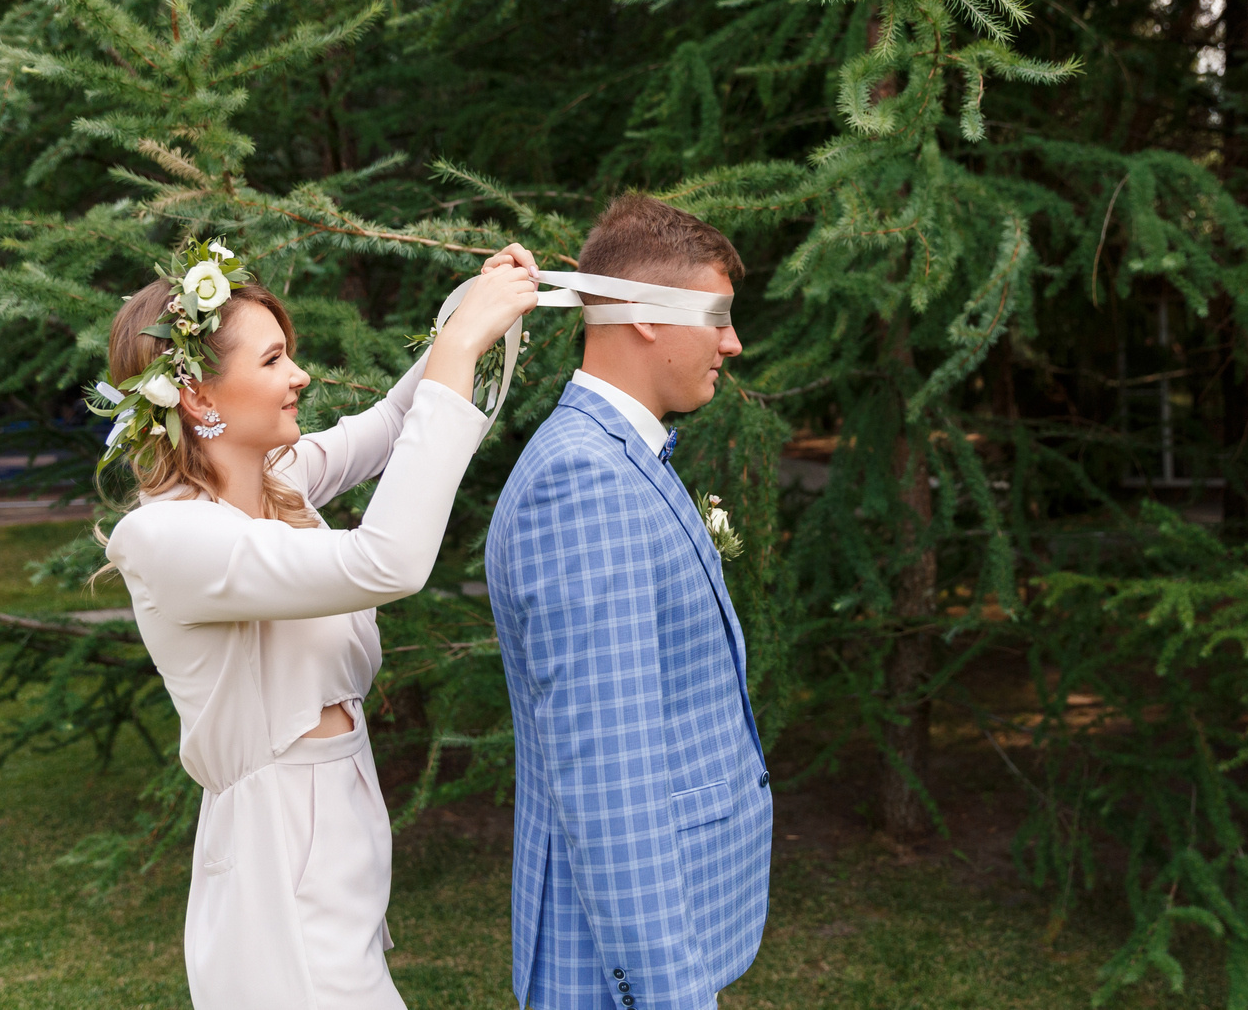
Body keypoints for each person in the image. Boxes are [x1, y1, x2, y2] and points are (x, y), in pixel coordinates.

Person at [98, 239, 539, 1010]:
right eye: (273, 361)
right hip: (276, 862)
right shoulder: (170, 540)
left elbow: (400, 419)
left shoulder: (280, 484)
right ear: (198, 399)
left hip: (341, 831)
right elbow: (388, 561)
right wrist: (463, 340)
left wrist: (474, 312)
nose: (299, 375)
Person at [486, 195, 772, 1010]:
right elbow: (610, 779)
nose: (732, 341)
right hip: (613, 959)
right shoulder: (585, 483)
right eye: (717, 315)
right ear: (646, 317)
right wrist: (667, 995)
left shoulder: (616, 457)